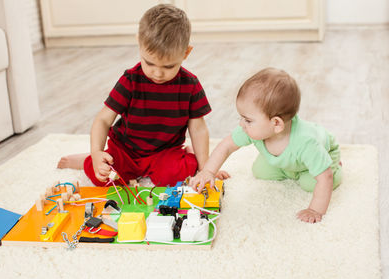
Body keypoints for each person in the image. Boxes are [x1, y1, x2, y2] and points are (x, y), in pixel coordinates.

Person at [57, 4, 228, 187]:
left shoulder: (190, 85)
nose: (158, 73)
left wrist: (206, 168)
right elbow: (103, 120)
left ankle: (190, 153)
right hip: (126, 150)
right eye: (149, 63)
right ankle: (88, 158)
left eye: (168, 66)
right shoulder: (130, 80)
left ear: (186, 53)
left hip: (165, 152)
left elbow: (198, 129)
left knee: (174, 178)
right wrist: (97, 153)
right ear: (139, 43)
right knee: (103, 176)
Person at [190, 68, 342, 223]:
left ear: (276, 123)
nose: (241, 124)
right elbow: (226, 146)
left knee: (311, 183)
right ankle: (287, 168)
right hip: (289, 160)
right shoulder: (253, 129)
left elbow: (325, 178)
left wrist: (314, 210)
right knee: (260, 171)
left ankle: (333, 163)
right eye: (241, 118)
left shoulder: (307, 142)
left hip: (319, 154)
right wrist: (208, 171)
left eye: (247, 120)